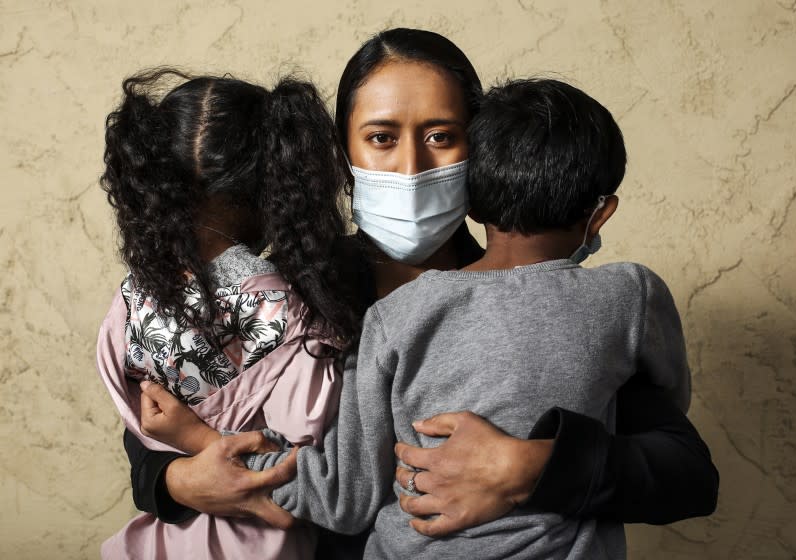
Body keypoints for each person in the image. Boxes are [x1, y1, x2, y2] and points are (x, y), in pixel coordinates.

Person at [125, 28, 718, 556]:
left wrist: (530, 466)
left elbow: (685, 473)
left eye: (440, 136)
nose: (410, 166)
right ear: (343, 154)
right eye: (381, 138)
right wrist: (179, 481)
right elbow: (152, 420)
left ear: (482, 150)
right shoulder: (279, 292)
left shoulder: (572, 305)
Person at [95, 68, 362, 559]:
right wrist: (200, 447)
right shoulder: (298, 314)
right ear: (275, 186)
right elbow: (296, 482)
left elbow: (143, 429)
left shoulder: (129, 307)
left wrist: (187, 444)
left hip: (159, 543)